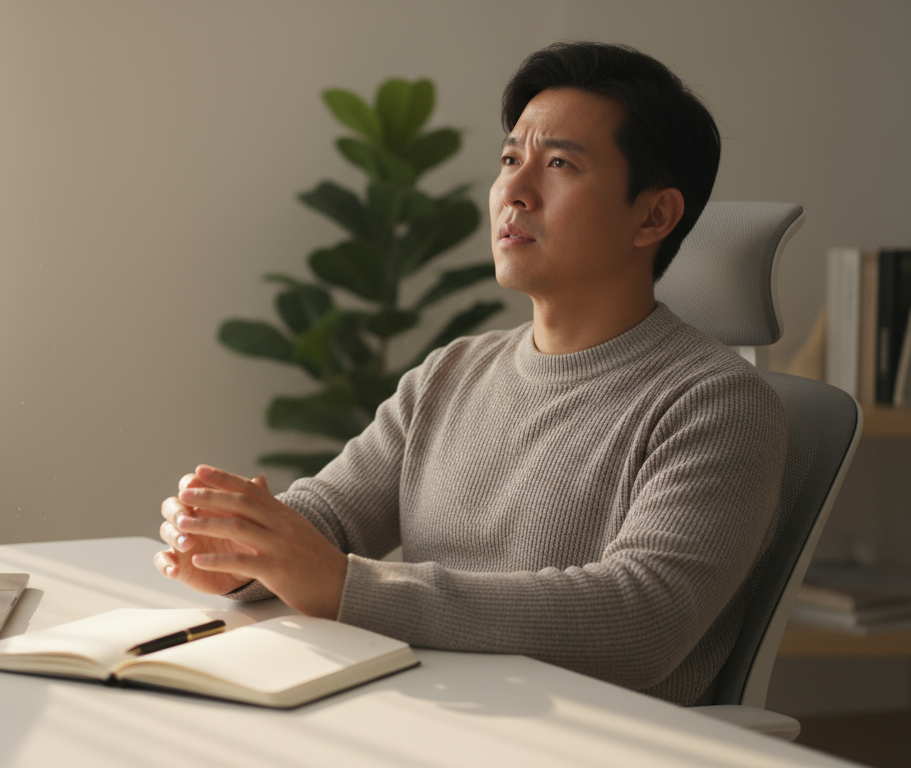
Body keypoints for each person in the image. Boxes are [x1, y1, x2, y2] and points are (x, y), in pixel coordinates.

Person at [153, 42, 787, 707]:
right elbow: (331, 517)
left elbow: (643, 619)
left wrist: (347, 587)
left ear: (653, 215)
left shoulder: (719, 404)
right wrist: (237, 547)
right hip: (425, 715)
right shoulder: (450, 373)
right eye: (511, 159)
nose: (513, 191)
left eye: (560, 164)